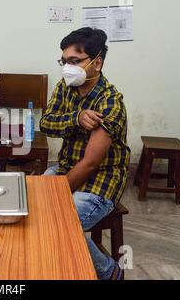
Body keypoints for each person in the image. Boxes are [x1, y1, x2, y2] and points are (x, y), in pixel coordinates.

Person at [40, 27, 131, 280]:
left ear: (97, 62)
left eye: (74, 61)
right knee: (33, 206)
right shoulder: (65, 86)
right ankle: (55, 259)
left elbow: (91, 163)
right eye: (64, 61)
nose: (67, 68)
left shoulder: (109, 101)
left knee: (59, 222)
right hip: (66, 168)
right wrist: (77, 118)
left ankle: (109, 271)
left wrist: (57, 195)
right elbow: (46, 124)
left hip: (100, 180)